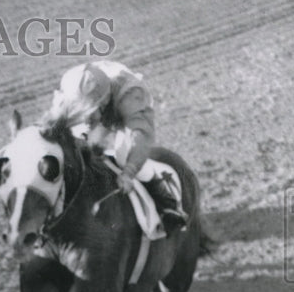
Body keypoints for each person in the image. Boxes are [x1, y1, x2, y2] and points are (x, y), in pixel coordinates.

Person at [49, 60, 189, 234]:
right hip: (98, 94)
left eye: (89, 114)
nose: (85, 121)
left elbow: (141, 139)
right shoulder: (71, 91)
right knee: (83, 147)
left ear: (102, 103)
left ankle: (168, 205)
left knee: (124, 157)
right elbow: (53, 127)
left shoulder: (130, 97)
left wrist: (128, 172)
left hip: (126, 107)